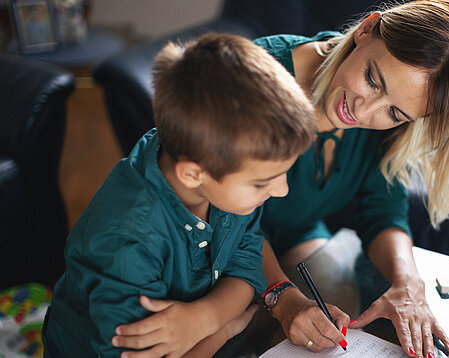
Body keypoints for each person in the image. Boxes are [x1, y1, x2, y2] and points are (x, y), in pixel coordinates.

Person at [41, 32, 315, 357]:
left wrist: (207, 317)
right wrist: (226, 326)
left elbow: (249, 261)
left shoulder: (220, 172)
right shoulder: (125, 242)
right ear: (192, 173)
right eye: (263, 182)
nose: (281, 190)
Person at [254, 1, 449, 358]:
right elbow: (225, 220)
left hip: (294, 234)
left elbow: (383, 212)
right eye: (372, 79)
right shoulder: (256, 80)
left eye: (395, 113)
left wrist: (409, 284)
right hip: (209, 245)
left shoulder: (387, 122)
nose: (362, 112)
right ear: (366, 29)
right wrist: (283, 296)